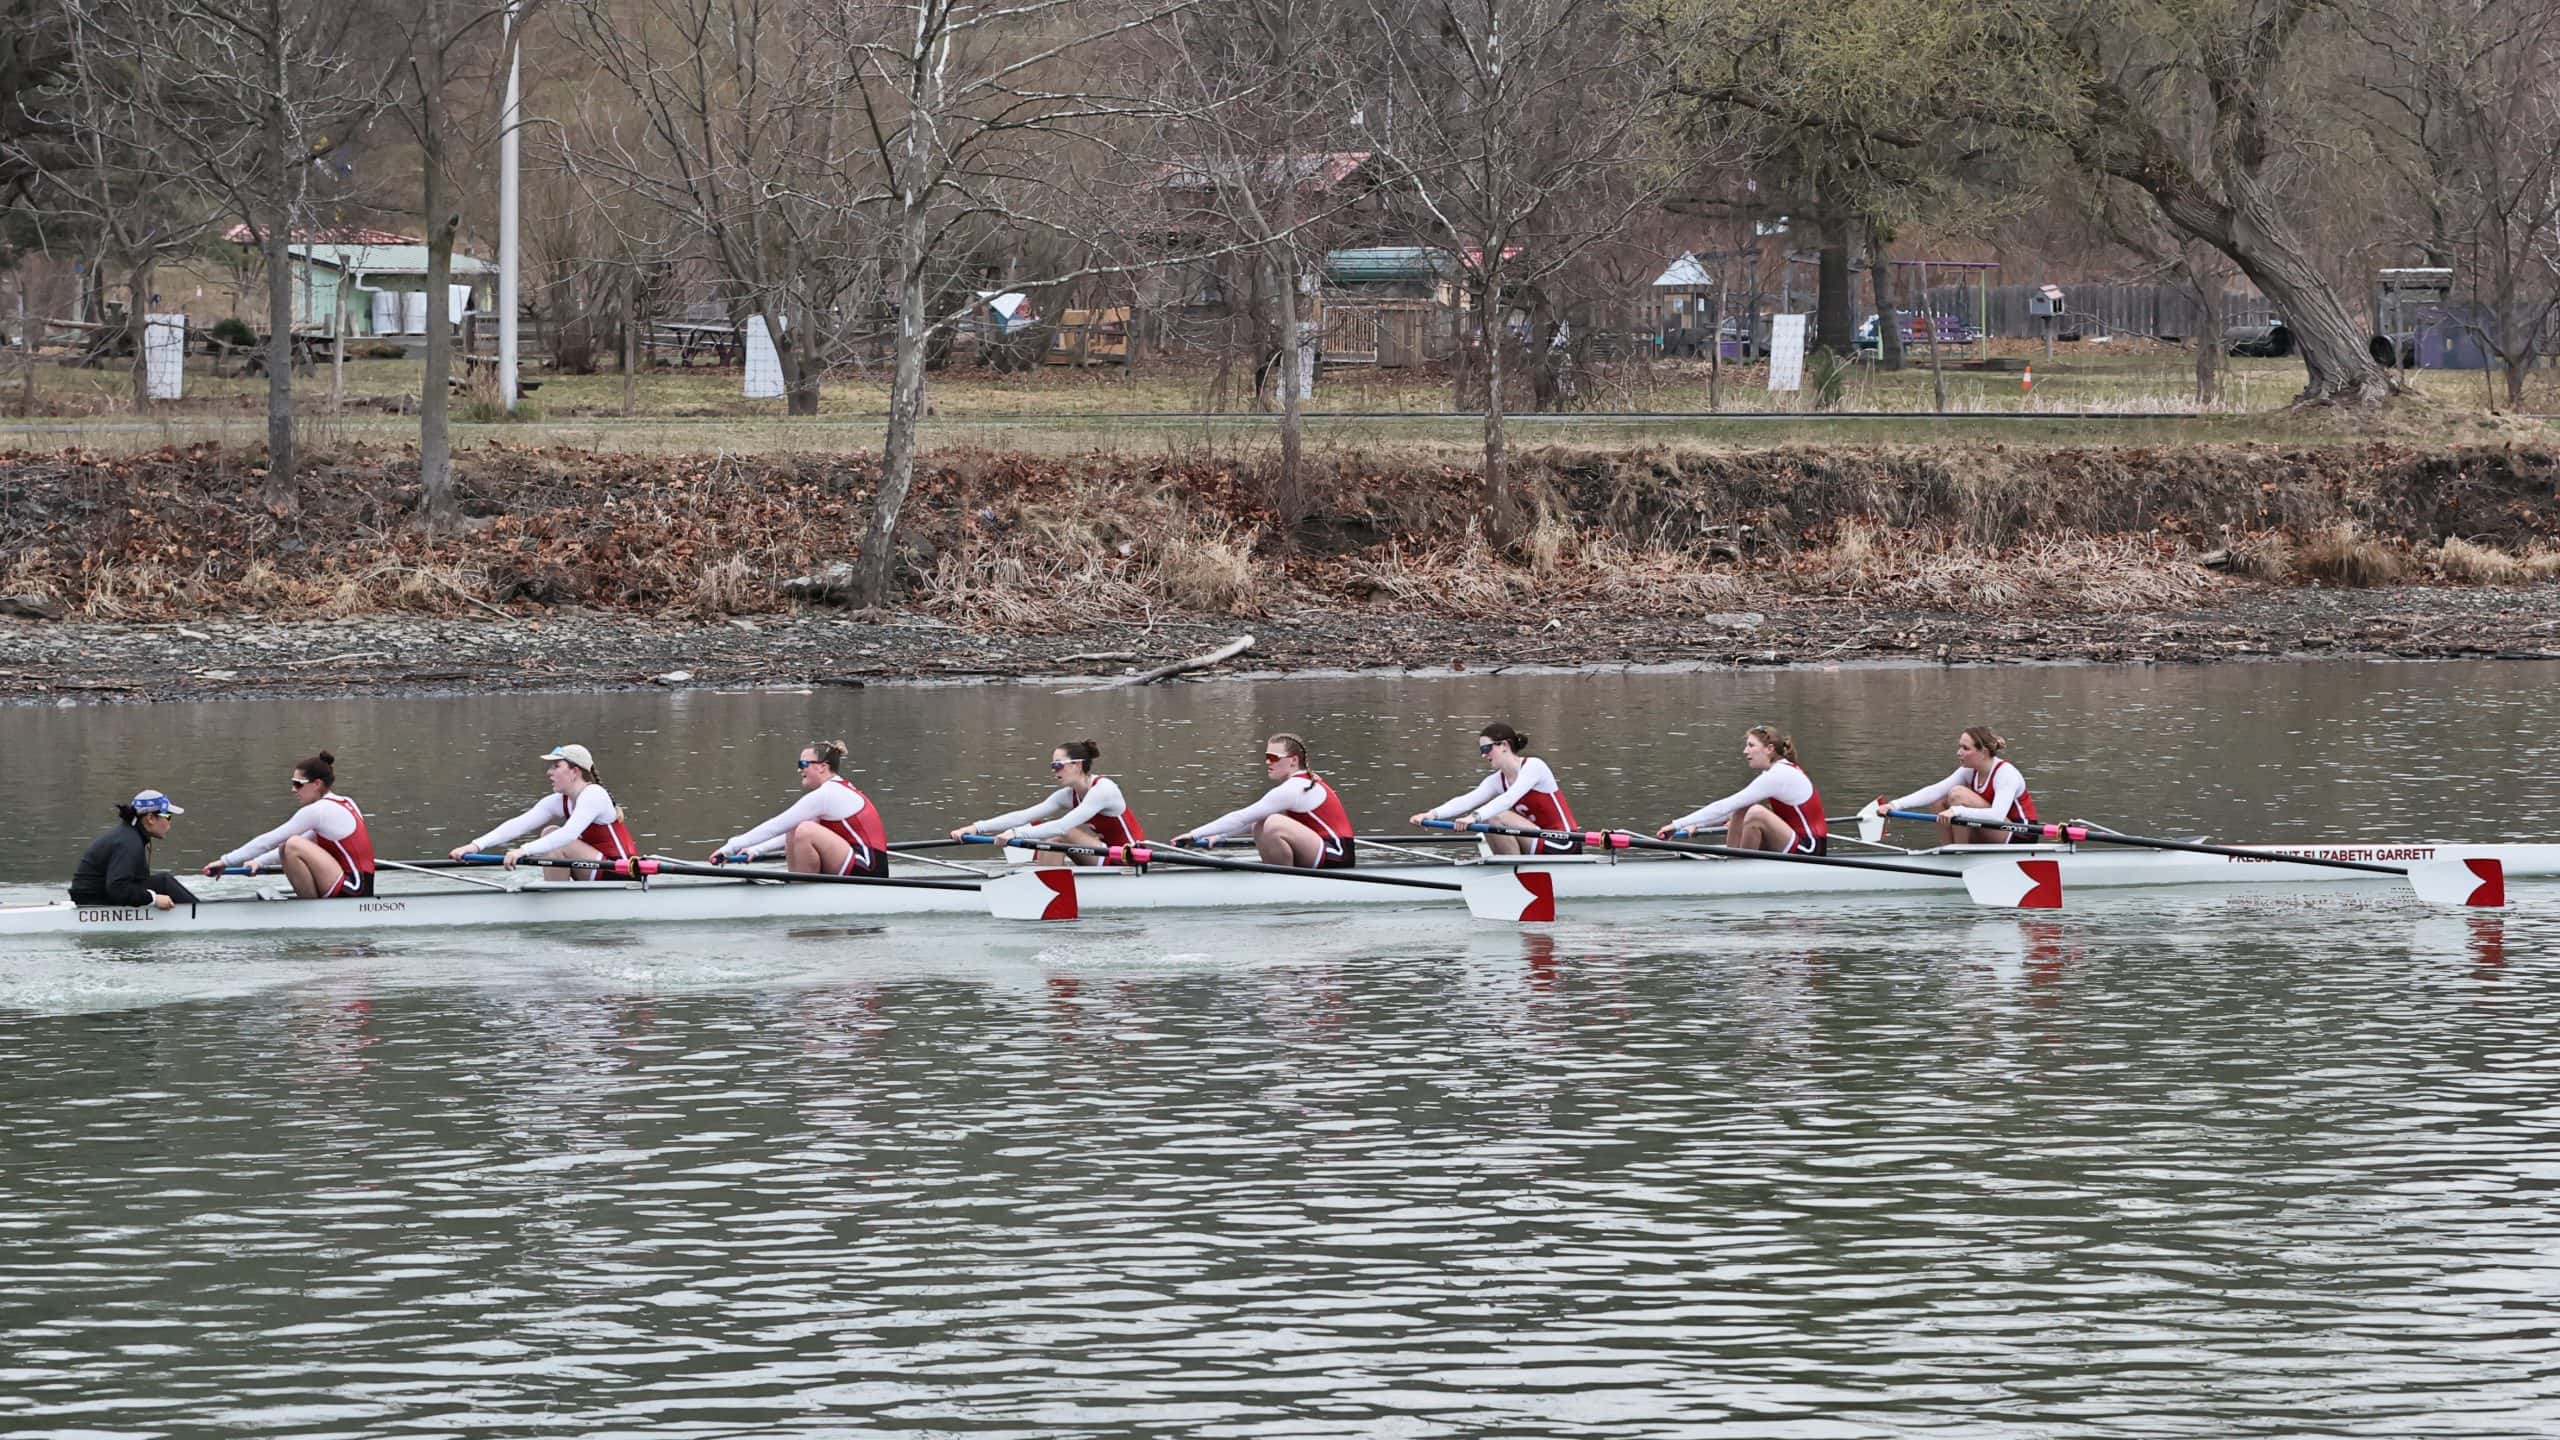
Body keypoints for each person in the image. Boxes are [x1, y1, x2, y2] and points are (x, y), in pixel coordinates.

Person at [201, 750, 376, 898]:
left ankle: (310, 911)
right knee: (290, 844)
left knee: (292, 843)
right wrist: (258, 862)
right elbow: (300, 843)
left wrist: (225, 861)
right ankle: (312, 909)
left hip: (354, 889)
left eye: (298, 784)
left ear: (317, 784)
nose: (293, 789)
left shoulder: (318, 811)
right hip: (358, 886)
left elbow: (269, 840)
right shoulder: (346, 802)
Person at [448, 743, 638, 879]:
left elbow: (568, 834)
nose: (549, 773)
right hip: (594, 868)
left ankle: (554, 902)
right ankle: (556, 896)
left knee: (557, 838)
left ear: (575, 771)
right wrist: (474, 846)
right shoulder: (558, 801)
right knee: (549, 833)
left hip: (619, 872)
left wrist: (523, 850)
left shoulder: (594, 794)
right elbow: (517, 825)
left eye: (556, 766)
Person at [1170, 732, 1355, 869]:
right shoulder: (1298, 784)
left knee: (1273, 822)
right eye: (1266, 757)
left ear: (1293, 761)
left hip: (1337, 855)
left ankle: (1281, 882)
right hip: (1322, 851)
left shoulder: (1294, 788)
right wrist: (1219, 836)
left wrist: (1194, 834)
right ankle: (1278, 877)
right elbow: (1251, 820)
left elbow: (1241, 816)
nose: (1268, 762)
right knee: (1262, 822)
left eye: (1274, 757)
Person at [950, 738, 1144, 866]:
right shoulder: (1068, 795)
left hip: (1131, 859)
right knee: (1035, 826)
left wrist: (1016, 834)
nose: (1054, 771)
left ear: (1077, 765)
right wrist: (975, 828)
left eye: (1058, 765)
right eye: (1053, 766)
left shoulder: (1103, 790)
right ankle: (1043, 882)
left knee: (1057, 834)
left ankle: (1045, 886)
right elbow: (1022, 815)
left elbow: (1062, 827)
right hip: (1107, 855)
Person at [714, 740, 890, 877]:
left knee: (804, 829)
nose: (800, 770)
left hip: (869, 868)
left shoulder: (828, 794)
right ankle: (800, 885)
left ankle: (802, 891)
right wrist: (756, 850)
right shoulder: (833, 790)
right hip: (852, 860)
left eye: (803, 764)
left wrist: (728, 848)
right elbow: (787, 829)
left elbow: (776, 825)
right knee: (797, 828)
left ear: (822, 767)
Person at [1408, 722, 1581, 855]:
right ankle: (1512, 873)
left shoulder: (1534, 766)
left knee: (1495, 816)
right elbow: (1466, 800)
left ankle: (1514, 875)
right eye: (1481, 751)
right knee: (1489, 818)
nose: (1484, 755)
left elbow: (1508, 799)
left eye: (1487, 748)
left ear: (1504, 745)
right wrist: (1430, 814)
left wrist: (1474, 817)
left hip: (1564, 843)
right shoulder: (1497, 780)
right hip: (1538, 842)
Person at [1660, 725, 1829, 854]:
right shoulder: (1776, 772)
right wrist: (1695, 824)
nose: (1745, 751)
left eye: (1751, 745)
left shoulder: (1779, 774)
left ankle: (1740, 867)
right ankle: (1735, 859)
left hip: (1809, 850)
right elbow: (1732, 808)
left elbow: (1724, 805)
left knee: (1755, 813)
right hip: (1793, 841)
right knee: (1743, 809)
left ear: (1769, 749)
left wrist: (1677, 825)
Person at [1880, 726, 2038, 845]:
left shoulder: (2006, 774)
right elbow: (1934, 791)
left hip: (2020, 834)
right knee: (1937, 800)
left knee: (1957, 795)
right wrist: (1894, 805)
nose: (1959, 752)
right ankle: (1950, 851)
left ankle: (1961, 852)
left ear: (1983, 753)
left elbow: (1996, 816)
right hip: (1994, 830)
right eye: (1960, 746)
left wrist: (1956, 810)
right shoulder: (1969, 771)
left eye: (1965, 748)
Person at [70, 790, 199, 910]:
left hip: (95, 895)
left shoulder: (130, 835)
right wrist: (153, 899)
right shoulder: (128, 842)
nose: (170, 823)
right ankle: (201, 912)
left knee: (160, 882)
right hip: (92, 902)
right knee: (164, 882)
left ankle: (197, 908)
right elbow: (117, 888)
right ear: (150, 818)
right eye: (168, 815)